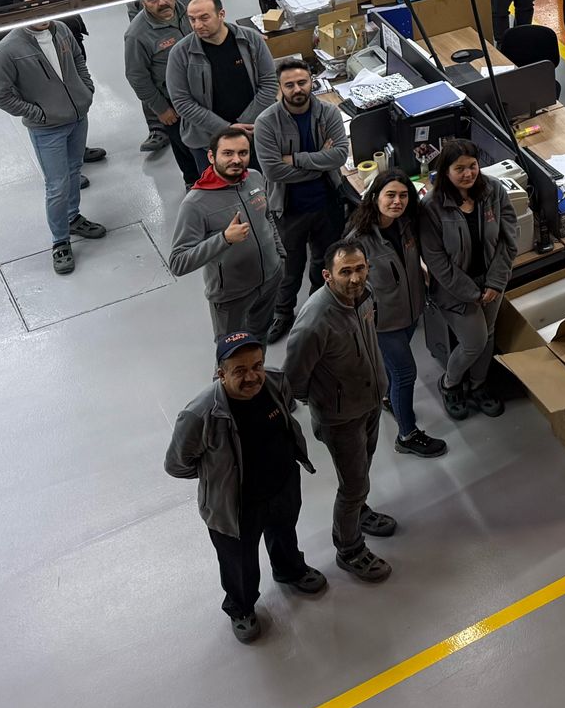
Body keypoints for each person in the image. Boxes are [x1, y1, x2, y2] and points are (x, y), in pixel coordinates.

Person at [165, 329, 325, 644]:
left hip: (282, 485)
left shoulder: (275, 382)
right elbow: (177, 464)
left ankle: (289, 570)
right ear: (220, 374)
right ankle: (241, 607)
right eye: (239, 371)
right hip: (236, 505)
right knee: (238, 562)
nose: (252, 377)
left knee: (284, 532)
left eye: (257, 366)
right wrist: (217, 477)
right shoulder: (199, 414)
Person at [281, 236, 395, 583]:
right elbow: (293, 380)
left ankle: (359, 512)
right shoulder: (315, 320)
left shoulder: (364, 295)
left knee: (363, 468)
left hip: (370, 402)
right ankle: (350, 549)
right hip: (340, 418)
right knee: (353, 484)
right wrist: (329, 400)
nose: (355, 278)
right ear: (327, 275)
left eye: (360, 269)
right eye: (345, 271)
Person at [0, 11, 102, 275]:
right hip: (47, 129)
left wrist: (86, 89)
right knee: (57, 185)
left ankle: (73, 217)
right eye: (33, 10)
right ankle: (60, 242)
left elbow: (78, 58)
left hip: (78, 117)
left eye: (45, 9)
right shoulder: (7, 49)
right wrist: (37, 114)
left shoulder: (62, 29)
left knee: (74, 171)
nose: (41, 16)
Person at [350, 172, 446, 459]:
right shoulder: (359, 241)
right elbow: (349, 287)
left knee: (394, 372)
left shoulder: (407, 224)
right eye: (390, 195)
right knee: (405, 373)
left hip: (410, 311)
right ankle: (407, 435)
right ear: (374, 197)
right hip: (382, 323)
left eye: (403, 195)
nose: (397, 201)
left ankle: (389, 398)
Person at [253, 58, 349, 340]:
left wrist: (295, 159)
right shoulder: (266, 122)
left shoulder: (328, 113)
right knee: (289, 268)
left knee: (323, 263)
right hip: (288, 209)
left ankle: (316, 312)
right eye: (290, 85)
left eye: (302, 82)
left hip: (327, 203)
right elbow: (273, 171)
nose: (297, 89)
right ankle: (282, 313)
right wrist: (320, 161)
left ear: (311, 82)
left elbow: (339, 156)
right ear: (280, 88)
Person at [416, 138, 511, 420]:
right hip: (454, 289)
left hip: (491, 282)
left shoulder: (493, 190)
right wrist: (473, 293)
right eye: (460, 169)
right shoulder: (431, 207)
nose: (468, 173)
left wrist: (495, 282)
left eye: (472, 166)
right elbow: (436, 261)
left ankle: (478, 385)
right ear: (446, 171)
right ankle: (450, 383)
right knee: (474, 342)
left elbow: (509, 238)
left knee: (488, 333)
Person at [169, 126, 282, 333]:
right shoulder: (195, 204)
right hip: (232, 296)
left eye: (243, 153)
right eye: (228, 153)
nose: (236, 160)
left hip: (270, 280)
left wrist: (279, 255)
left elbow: (267, 217)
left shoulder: (255, 177)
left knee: (260, 337)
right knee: (233, 349)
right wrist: (224, 239)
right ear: (211, 157)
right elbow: (178, 262)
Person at [167, 0, 278, 157]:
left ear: (221, 14)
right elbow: (182, 102)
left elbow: (269, 84)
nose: (197, 25)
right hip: (208, 140)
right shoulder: (180, 54)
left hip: (256, 131)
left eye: (204, 18)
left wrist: (242, 124)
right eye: (192, 19)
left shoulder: (251, 40)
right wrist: (224, 128)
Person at [125, 0, 200, 184]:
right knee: (184, 145)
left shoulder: (191, 7)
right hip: (173, 101)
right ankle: (193, 183)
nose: (161, 3)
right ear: (142, 1)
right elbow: (137, 77)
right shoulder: (137, 34)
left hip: (205, 88)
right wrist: (160, 108)